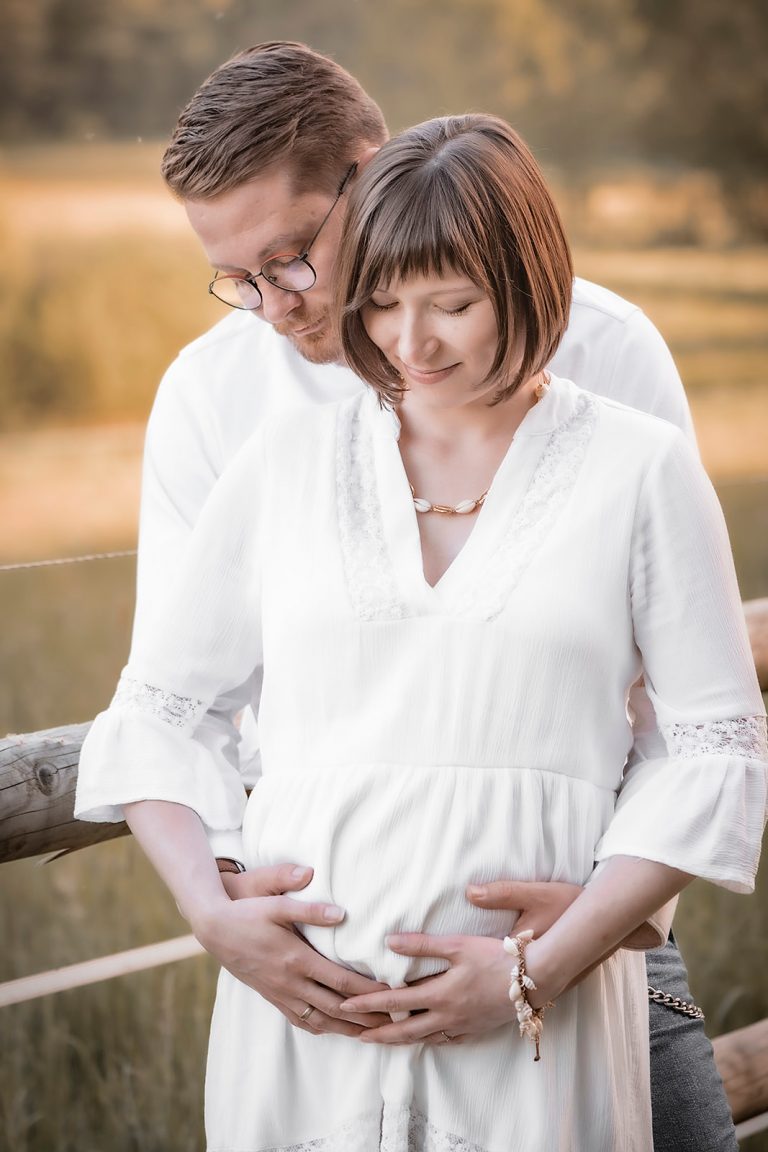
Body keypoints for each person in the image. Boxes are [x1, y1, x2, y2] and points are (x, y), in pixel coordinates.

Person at [75, 111, 767, 1151]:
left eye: (453, 304)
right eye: (384, 303)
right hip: (310, 1019)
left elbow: (709, 740)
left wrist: (545, 965)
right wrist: (215, 913)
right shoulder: (276, 451)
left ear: (526, 281)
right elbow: (160, 711)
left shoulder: (637, 455)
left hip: (555, 998)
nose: (411, 342)